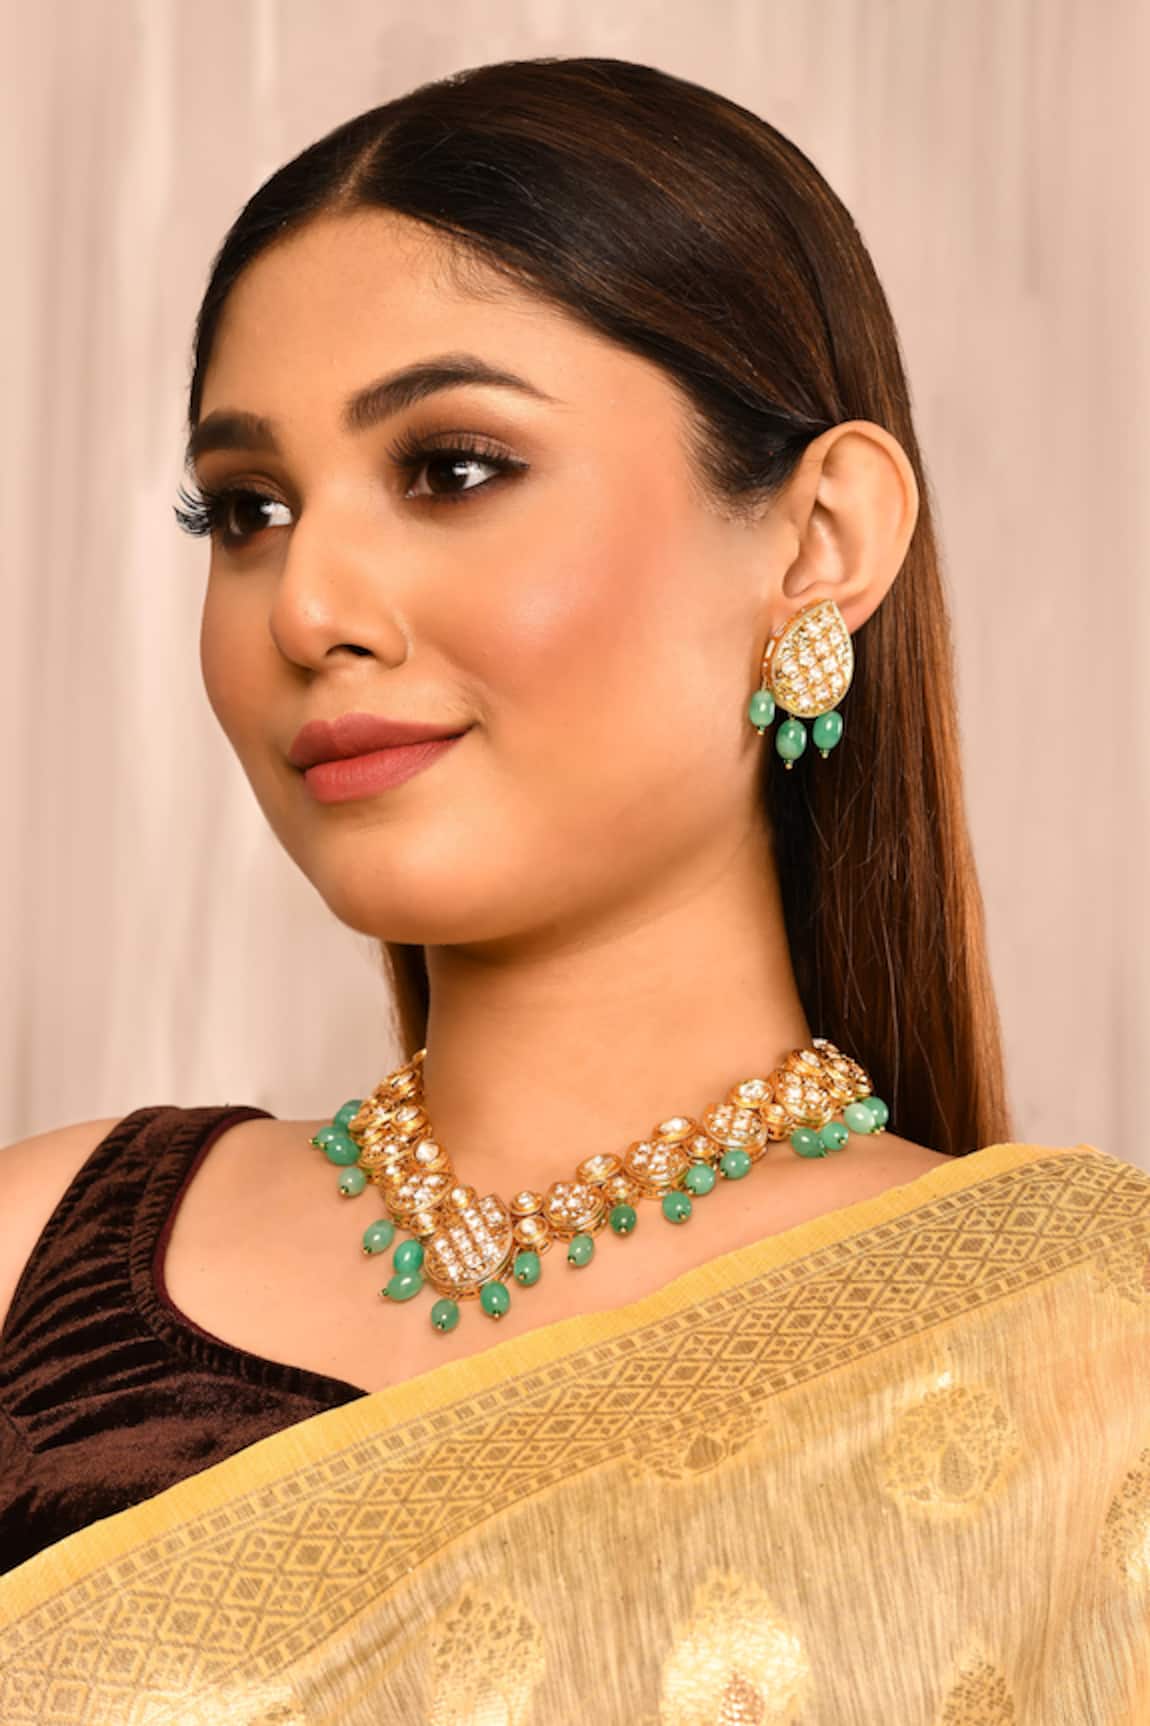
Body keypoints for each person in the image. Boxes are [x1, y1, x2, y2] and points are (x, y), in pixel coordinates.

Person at [2, 53, 1147, 1724]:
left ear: (819, 537)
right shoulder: (37, 1260)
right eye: (245, 509)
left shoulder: (1086, 1365)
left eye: (452, 468)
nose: (306, 604)